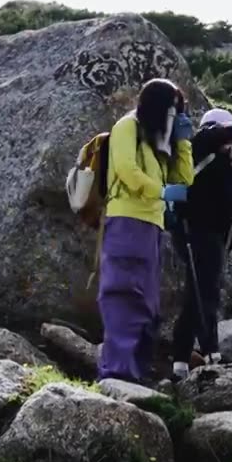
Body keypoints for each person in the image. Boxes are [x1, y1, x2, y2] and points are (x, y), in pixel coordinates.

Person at [98, 78, 194, 383]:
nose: (173, 117)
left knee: (147, 303)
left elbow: (185, 179)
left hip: (152, 226)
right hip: (126, 220)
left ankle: (135, 374)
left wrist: (183, 141)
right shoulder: (128, 127)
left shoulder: (157, 141)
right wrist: (162, 192)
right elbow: (126, 169)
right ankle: (116, 373)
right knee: (124, 295)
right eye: (172, 110)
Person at [169, 107, 232, 379]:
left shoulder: (230, 169)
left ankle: (183, 358)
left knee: (201, 293)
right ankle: (207, 353)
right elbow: (212, 138)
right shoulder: (199, 148)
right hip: (194, 230)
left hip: (215, 237)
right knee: (206, 293)